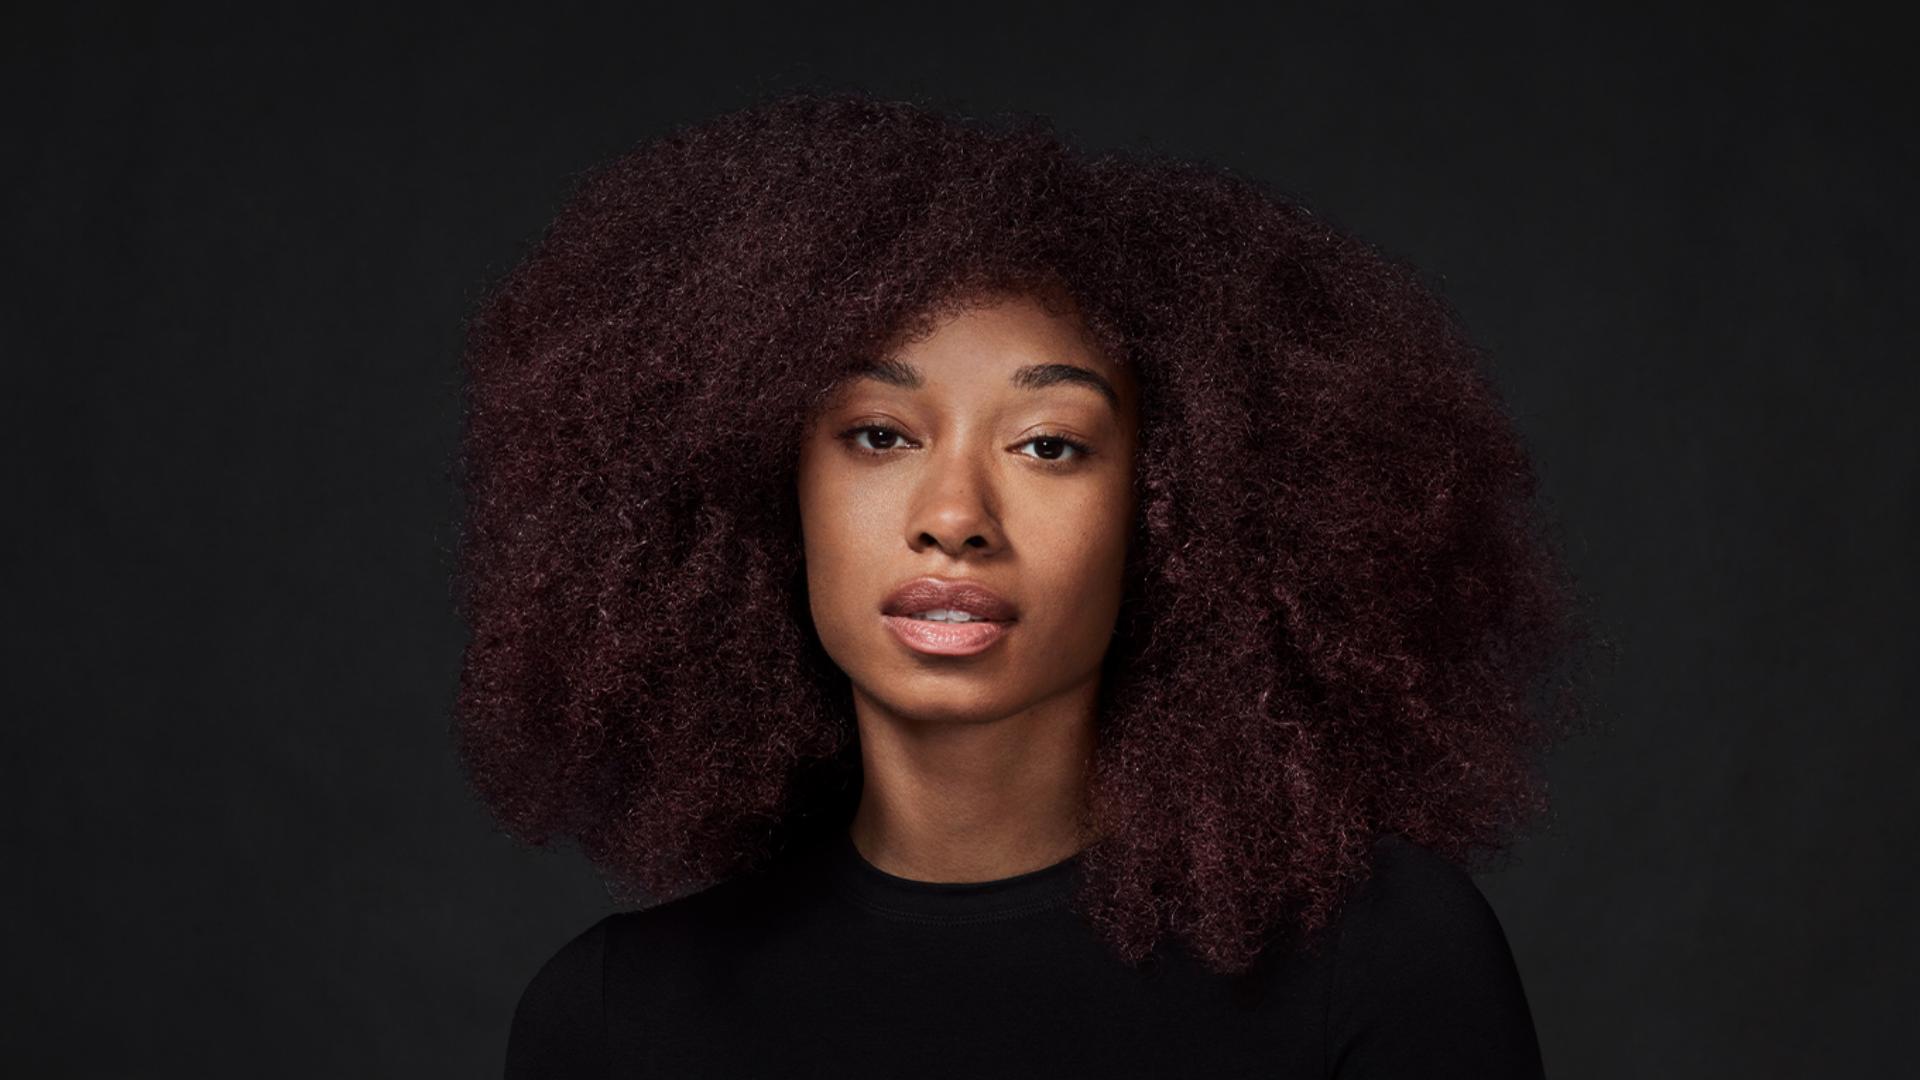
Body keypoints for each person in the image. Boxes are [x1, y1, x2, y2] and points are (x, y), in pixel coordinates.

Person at [453, 88, 1596, 1078]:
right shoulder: (614, 1023)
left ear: (1176, 512)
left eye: (1049, 444)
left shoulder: (1380, 959)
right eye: (880, 435)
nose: (954, 518)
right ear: (766, 492)